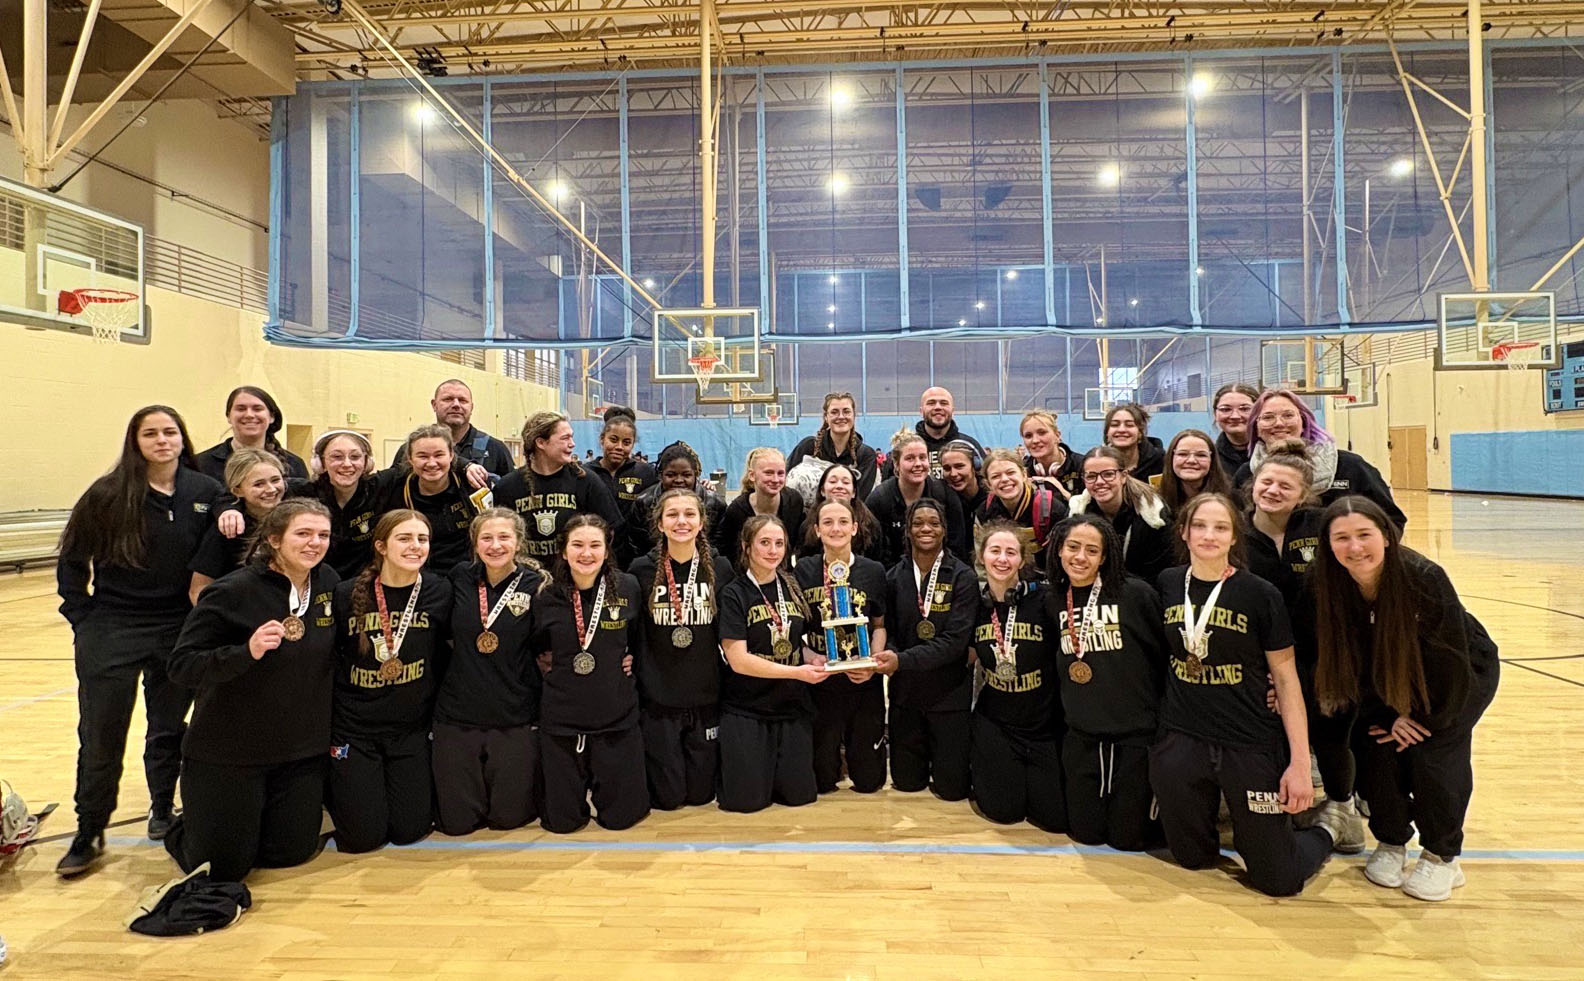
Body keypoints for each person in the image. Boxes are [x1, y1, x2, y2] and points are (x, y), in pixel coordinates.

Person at [54, 406, 225, 877]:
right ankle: (89, 829)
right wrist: (82, 617)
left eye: (170, 432)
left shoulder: (205, 491)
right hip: (114, 627)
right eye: (151, 433)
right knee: (101, 733)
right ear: (136, 441)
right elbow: (72, 561)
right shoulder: (107, 494)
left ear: (182, 438)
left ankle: (162, 807)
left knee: (168, 728)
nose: (162, 440)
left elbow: (227, 526)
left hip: (177, 627)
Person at [1148, 493, 1347, 897]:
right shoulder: (1168, 583)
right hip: (1183, 736)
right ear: (1184, 532)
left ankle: (1328, 829)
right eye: (1199, 526)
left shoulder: (1260, 594)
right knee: (1191, 857)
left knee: (1279, 880)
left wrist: (1298, 763)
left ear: (1235, 536)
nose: (1209, 535)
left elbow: (1286, 681)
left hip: (1249, 740)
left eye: (1220, 527)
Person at [1311, 496, 1500, 901]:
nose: (1355, 547)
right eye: (1341, 538)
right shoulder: (1325, 582)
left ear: (1386, 536)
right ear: (1327, 543)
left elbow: (1450, 661)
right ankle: (1392, 840)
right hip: (1381, 684)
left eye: (1364, 534)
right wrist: (1387, 715)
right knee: (1374, 749)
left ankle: (1441, 856)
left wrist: (1421, 719)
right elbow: (1344, 657)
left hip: (1451, 682)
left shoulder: (1423, 578)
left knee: (1433, 759)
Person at [161, 500, 338, 882]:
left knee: (290, 853)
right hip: (231, 750)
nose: (315, 543)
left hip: (298, 751)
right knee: (224, 869)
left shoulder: (327, 582)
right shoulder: (232, 591)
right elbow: (182, 666)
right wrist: (247, 652)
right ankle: (186, 826)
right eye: (303, 533)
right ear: (274, 539)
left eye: (323, 535)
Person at [1245, 439, 1365, 853]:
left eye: (1286, 486)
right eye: (1267, 481)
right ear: (1253, 484)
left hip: (1325, 653)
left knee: (1332, 732)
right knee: (1276, 731)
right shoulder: (1237, 534)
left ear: (1303, 495)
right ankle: (1289, 798)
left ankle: (1342, 804)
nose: (1273, 490)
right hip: (1265, 657)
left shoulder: (1321, 526)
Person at [327, 510, 451, 853]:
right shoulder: (346, 593)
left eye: (422, 539)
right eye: (404, 538)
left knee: (410, 830)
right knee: (363, 838)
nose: (415, 546)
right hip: (355, 730)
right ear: (381, 546)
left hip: (410, 729)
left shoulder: (439, 590)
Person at [1046, 515, 1168, 851]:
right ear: (1059, 550)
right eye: (1073, 547)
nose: (1080, 557)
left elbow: (1163, 656)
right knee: (1086, 833)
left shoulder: (1136, 594)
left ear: (1104, 557)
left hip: (1135, 735)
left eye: (1091, 550)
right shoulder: (1054, 599)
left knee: (1127, 839)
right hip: (1083, 735)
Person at [432, 510, 547, 835]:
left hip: (515, 711)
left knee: (508, 819)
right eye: (486, 538)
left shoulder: (536, 585)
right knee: (457, 824)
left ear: (519, 542)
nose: (495, 545)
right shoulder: (459, 577)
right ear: (475, 543)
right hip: (458, 711)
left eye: (504, 537)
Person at [531, 515, 649, 833]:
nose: (586, 553)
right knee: (562, 823)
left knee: (621, 821)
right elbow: (535, 646)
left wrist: (632, 659)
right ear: (564, 551)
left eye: (595, 545)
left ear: (607, 550)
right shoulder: (546, 595)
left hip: (616, 714)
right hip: (562, 719)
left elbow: (639, 639)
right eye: (578, 545)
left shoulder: (628, 587)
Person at [628, 489, 736, 810]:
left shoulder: (721, 568)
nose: (681, 522)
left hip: (705, 695)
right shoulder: (641, 569)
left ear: (701, 522)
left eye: (690, 514)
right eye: (672, 515)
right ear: (660, 523)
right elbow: (630, 628)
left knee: (701, 796)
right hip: (659, 698)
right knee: (668, 798)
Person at [716, 515, 830, 813]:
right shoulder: (734, 593)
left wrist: (812, 657)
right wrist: (797, 672)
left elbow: (793, 641)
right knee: (746, 803)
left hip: (790, 705)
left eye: (779, 543)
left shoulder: (791, 586)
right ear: (747, 547)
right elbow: (738, 660)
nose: (772, 550)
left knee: (800, 797)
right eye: (764, 542)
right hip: (747, 706)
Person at [875, 498, 977, 801]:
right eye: (918, 523)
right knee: (906, 784)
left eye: (934, 522)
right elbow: (888, 631)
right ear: (907, 530)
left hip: (949, 696)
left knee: (952, 790)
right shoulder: (893, 577)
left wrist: (900, 661)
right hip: (906, 696)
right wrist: (889, 654)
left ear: (944, 529)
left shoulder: (963, 577)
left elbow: (955, 643)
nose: (926, 528)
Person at [969, 521, 1065, 832]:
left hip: (1042, 725)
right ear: (981, 556)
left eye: (1011, 552)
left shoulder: (1045, 600)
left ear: (1022, 560)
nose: (1002, 559)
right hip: (996, 722)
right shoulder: (975, 605)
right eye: (995, 551)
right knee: (1003, 812)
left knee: (1053, 819)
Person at [794, 499, 889, 795]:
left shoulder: (874, 571)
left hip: (863, 681)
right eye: (828, 522)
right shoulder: (803, 570)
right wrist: (810, 657)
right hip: (822, 679)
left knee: (869, 782)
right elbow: (795, 631)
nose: (836, 528)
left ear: (855, 528)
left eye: (843, 522)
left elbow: (879, 625)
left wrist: (871, 664)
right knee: (822, 781)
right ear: (817, 530)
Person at [1232, 388, 1406, 529]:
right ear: (1256, 427)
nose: (1279, 423)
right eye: (1268, 417)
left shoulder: (1350, 466)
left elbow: (1391, 519)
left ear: (1303, 421)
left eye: (1288, 415)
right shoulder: (1246, 474)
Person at [494, 411, 624, 563]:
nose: (572, 444)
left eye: (571, 437)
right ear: (541, 443)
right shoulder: (508, 487)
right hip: (526, 573)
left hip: (575, 572)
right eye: (565, 438)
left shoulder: (586, 480)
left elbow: (614, 529)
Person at [377, 424, 485, 573]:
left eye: (439, 455)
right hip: (417, 574)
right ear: (410, 458)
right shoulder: (394, 487)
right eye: (422, 456)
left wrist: (466, 465)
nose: (432, 463)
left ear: (451, 455)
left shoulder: (472, 484)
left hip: (468, 573)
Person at [188, 449, 285, 600]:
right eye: (259, 484)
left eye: (275, 480)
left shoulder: (295, 517)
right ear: (237, 491)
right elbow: (198, 588)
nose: (271, 489)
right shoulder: (229, 528)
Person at [1068, 447, 1174, 583]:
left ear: (1123, 476)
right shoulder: (1076, 513)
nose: (1099, 481)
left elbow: (1159, 571)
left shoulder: (1154, 516)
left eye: (1108, 474)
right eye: (1091, 476)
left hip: (1143, 588)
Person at [287, 430, 382, 580]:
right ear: (320, 463)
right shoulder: (300, 492)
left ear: (366, 462)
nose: (347, 464)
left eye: (355, 457)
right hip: (315, 580)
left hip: (363, 582)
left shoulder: (380, 488)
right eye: (337, 457)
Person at [868, 432, 969, 567]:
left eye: (922, 457)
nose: (918, 464)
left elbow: (957, 547)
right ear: (897, 464)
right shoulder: (880, 499)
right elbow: (875, 554)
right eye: (910, 458)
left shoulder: (945, 495)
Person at [626, 441, 728, 560]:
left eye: (686, 475)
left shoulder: (715, 504)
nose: (679, 480)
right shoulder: (643, 503)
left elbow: (721, 547)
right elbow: (636, 546)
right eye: (671, 475)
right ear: (660, 475)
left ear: (696, 475)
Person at [392, 379, 516, 476]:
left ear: (471, 407)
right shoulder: (411, 449)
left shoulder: (496, 449)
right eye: (448, 399)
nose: (456, 405)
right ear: (434, 405)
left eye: (462, 400)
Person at [193, 386, 309, 483]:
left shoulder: (294, 464)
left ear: (271, 417)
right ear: (228, 416)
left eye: (257, 409)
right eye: (241, 409)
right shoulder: (201, 464)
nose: (249, 415)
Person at [716, 447, 805, 567]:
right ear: (752, 475)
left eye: (780, 473)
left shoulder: (794, 502)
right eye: (768, 473)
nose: (775, 479)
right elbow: (725, 551)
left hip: (784, 573)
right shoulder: (736, 510)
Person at [977, 449, 1059, 572]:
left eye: (1010, 472)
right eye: (995, 476)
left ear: (1024, 475)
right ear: (988, 484)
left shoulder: (1051, 508)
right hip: (1001, 575)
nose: (1004, 479)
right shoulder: (984, 511)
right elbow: (981, 560)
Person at [788, 392, 879, 498]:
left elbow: (860, 497)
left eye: (846, 412)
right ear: (826, 417)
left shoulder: (866, 455)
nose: (841, 416)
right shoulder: (808, 446)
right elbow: (787, 482)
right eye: (834, 412)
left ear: (854, 416)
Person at [885, 387, 986, 479]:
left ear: (952, 411)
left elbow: (984, 483)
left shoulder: (969, 445)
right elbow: (888, 485)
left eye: (944, 403)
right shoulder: (906, 448)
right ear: (921, 411)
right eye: (931, 403)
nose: (938, 407)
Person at [797, 463, 886, 562]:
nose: (839, 486)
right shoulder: (807, 526)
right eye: (833, 481)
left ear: (854, 492)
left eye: (846, 482)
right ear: (822, 490)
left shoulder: (871, 525)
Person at [591, 406, 658, 522]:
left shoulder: (646, 473)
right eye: (613, 440)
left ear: (633, 444)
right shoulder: (586, 473)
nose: (619, 447)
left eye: (626, 443)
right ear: (602, 439)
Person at [1157, 429, 1233, 513]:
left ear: (1212, 460)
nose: (1191, 460)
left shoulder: (1232, 500)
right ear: (1171, 458)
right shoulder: (1156, 502)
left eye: (1201, 455)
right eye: (1183, 454)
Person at [1019, 410, 1082, 499]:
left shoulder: (1082, 465)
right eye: (1028, 436)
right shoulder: (1021, 472)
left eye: (1042, 433)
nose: (1035, 440)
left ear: (1057, 436)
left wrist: (1063, 493)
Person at [1102, 402, 1165, 483]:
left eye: (1129, 425)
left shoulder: (1162, 463)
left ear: (1140, 432)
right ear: (1107, 434)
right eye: (1115, 425)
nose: (1121, 430)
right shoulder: (1096, 463)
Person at [1212, 383, 1260, 475]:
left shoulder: (1274, 453)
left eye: (1244, 409)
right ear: (1215, 413)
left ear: (1258, 411)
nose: (1235, 416)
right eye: (1226, 409)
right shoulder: (1209, 457)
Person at [939, 440, 987, 518]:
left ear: (975, 466)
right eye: (947, 468)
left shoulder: (993, 497)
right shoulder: (941, 499)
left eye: (959, 466)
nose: (953, 474)